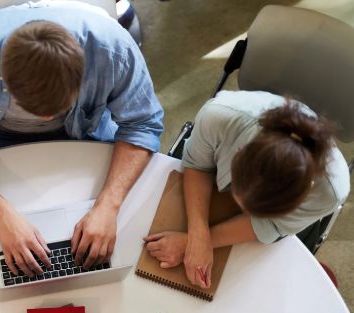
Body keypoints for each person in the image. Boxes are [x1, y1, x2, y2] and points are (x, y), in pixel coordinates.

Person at [0, 1, 163, 277]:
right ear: (4, 77)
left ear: (83, 74)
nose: (47, 119)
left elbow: (142, 123)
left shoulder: (114, 51)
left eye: (58, 108)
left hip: (84, 130)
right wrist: (1, 214)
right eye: (32, 108)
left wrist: (109, 205)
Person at [144, 90, 350, 288]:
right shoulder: (218, 116)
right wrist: (197, 237)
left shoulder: (330, 191)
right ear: (239, 153)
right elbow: (197, 165)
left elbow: (270, 225)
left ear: (305, 194)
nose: (242, 209)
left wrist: (194, 242)